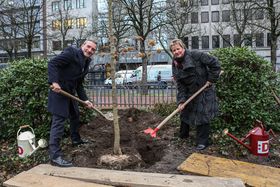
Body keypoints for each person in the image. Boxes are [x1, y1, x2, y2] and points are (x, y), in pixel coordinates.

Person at [48, 40, 96, 167]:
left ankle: (76, 140)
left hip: (70, 94)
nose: (90, 50)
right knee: (58, 122)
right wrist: (54, 82)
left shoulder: (86, 62)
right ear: (83, 46)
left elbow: (79, 83)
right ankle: (55, 157)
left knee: (75, 115)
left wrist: (85, 100)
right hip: (59, 93)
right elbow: (52, 63)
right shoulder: (71, 53)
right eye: (88, 47)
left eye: (93, 49)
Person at [169, 39, 221, 150]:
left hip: (204, 88)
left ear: (183, 48)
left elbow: (215, 63)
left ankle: (203, 142)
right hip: (189, 91)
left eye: (178, 49)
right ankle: (184, 135)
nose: (176, 52)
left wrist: (211, 79)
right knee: (184, 111)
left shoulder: (196, 55)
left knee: (202, 114)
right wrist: (182, 100)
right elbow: (180, 83)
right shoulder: (175, 64)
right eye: (174, 50)